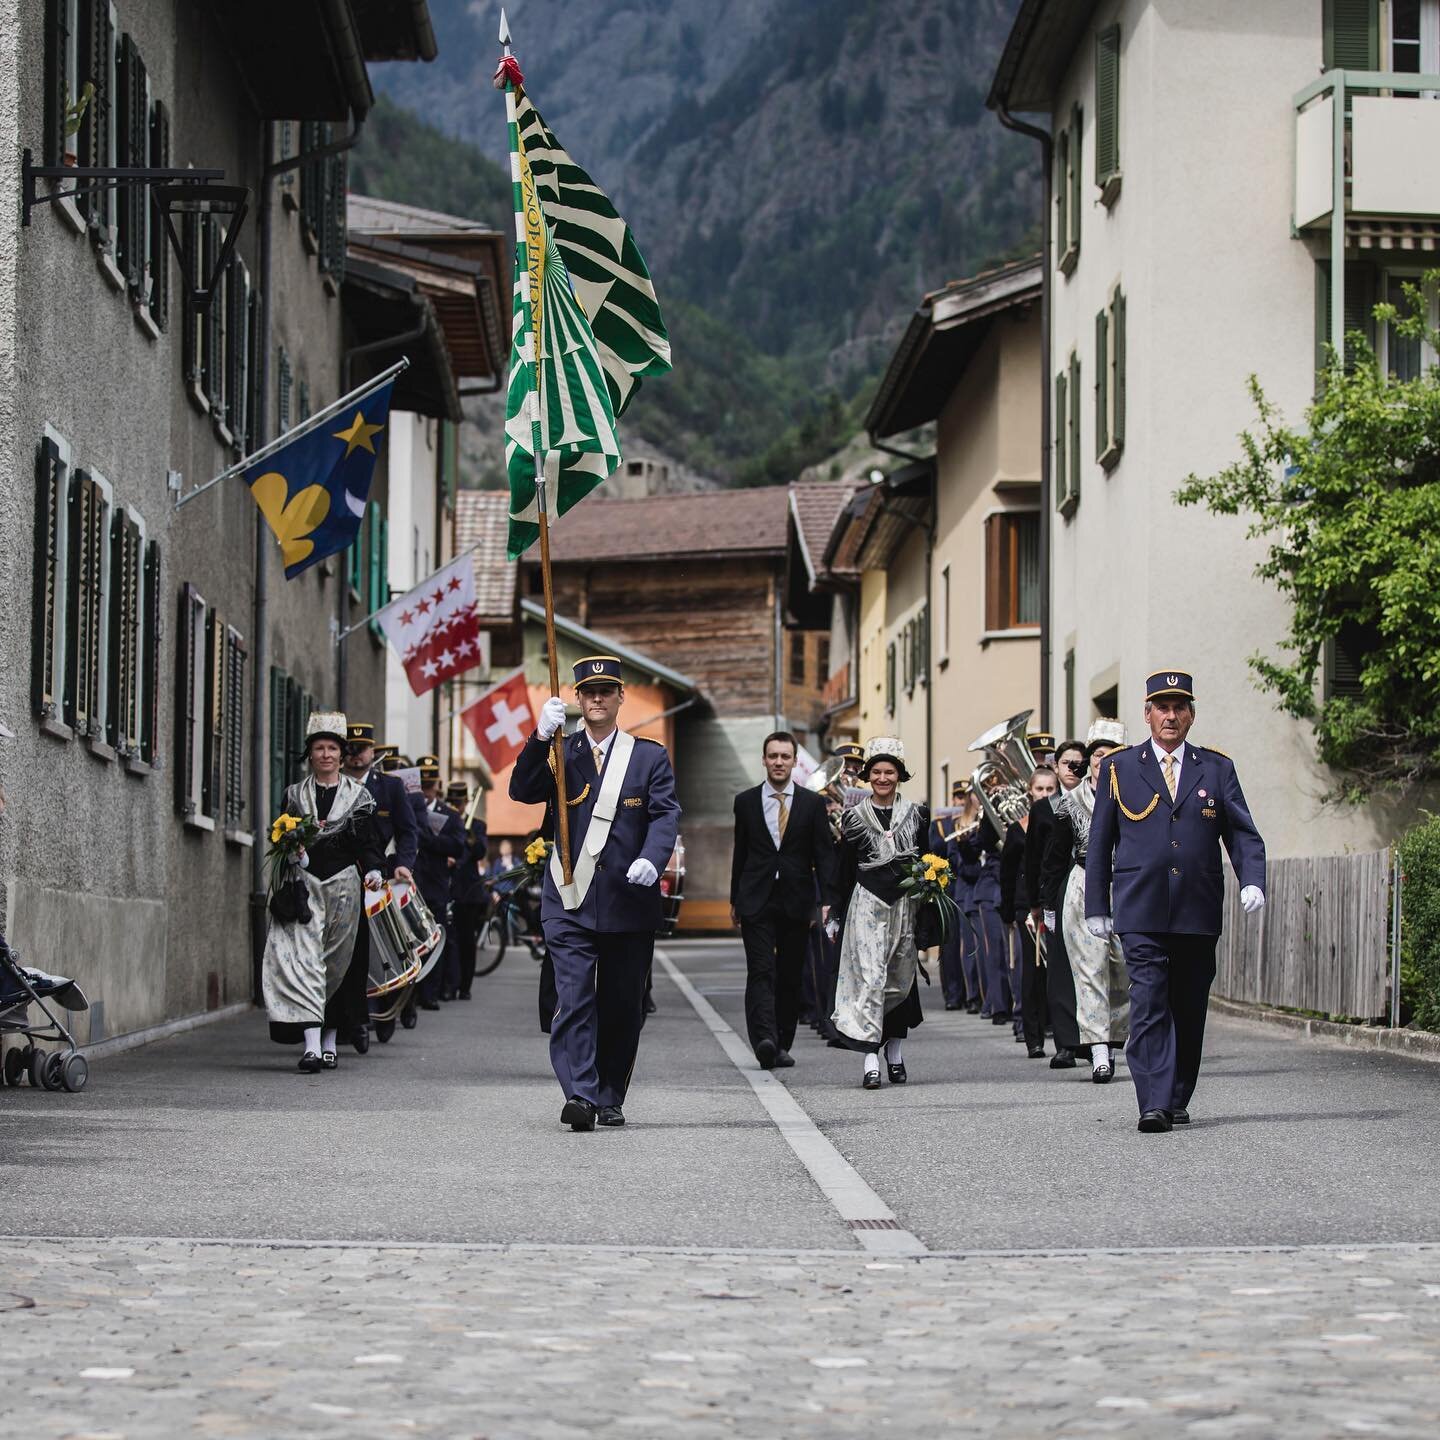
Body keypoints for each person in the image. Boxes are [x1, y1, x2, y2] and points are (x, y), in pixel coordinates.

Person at [1086, 670, 1267, 1132]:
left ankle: (1178, 1091)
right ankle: (1153, 1102)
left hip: (1196, 909)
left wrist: (1253, 879)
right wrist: (1096, 906)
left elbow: (1242, 833)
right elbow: (1101, 839)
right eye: (1161, 707)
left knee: (1188, 1007)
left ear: (1191, 715)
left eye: (1179, 707)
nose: (1170, 716)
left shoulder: (1217, 768)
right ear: (1147, 714)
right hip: (1141, 909)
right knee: (1147, 1004)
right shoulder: (1119, 768)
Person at [509, 655, 681, 1131]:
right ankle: (580, 1095)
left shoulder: (648, 756)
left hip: (630, 899)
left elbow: (665, 814)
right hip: (570, 899)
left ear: (621, 697)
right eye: (589, 692)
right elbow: (521, 791)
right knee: (575, 997)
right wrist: (539, 737)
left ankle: (610, 1095)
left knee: (622, 1006)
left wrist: (653, 856)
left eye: (607, 691)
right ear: (578, 699)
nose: (598, 698)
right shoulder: (560, 751)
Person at [262, 712, 385, 1073]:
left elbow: (369, 843)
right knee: (303, 963)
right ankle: (311, 1047)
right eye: (320, 748)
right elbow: (280, 837)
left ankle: (330, 1042)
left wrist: (376, 869)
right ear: (310, 754)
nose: (326, 754)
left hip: (344, 889)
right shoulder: (295, 795)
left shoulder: (359, 797)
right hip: (305, 889)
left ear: (342, 754)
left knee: (337, 964)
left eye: (333, 748)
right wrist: (293, 853)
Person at [730, 731, 837, 1070]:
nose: (778, 762)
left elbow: (824, 855)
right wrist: (735, 899)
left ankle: (782, 1041)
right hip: (756, 898)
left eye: (784, 756)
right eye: (773, 756)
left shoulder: (812, 804)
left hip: (796, 898)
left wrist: (827, 899)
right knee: (760, 969)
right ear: (764, 760)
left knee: (790, 973)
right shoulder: (745, 802)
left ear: (794, 761)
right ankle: (764, 1038)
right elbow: (741, 853)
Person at [832, 737, 928, 1089]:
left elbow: (929, 862)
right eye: (876, 772)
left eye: (889, 772)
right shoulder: (854, 817)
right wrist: (835, 911)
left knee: (899, 978)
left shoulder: (917, 814)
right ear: (867, 776)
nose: (883, 778)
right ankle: (870, 1057)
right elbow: (844, 868)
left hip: (905, 905)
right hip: (867, 904)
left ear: (899, 775)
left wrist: (930, 907)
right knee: (870, 977)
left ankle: (895, 1051)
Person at [1042, 721, 1130, 1083]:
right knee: (1089, 969)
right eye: (1098, 754)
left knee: (1122, 970)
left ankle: (1113, 1039)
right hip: (1083, 886)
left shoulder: (1137, 796)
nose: (1103, 760)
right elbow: (1054, 855)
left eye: (1111, 754)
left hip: (1125, 886)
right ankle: (1098, 1051)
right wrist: (1048, 904)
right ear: (1090, 760)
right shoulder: (1071, 802)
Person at [338, 723, 418, 1050]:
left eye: (363, 749)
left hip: (380, 874)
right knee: (345, 951)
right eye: (352, 750)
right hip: (341, 874)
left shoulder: (390, 787)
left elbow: (408, 831)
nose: (357, 755)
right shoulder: (334, 786)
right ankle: (349, 1021)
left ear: (373, 752)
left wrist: (402, 863)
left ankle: (385, 1007)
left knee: (382, 947)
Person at [1026, 738, 1086, 1070]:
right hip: (1057, 894)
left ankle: (1092, 1038)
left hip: (1089, 890)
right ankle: (1065, 1043)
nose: (1073, 769)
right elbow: (1033, 859)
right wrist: (1037, 904)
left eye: (1079, 763)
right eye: (1067, 763)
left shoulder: (1095, 800)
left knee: (1090, 967)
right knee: (1060, 968)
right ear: (1057, 766)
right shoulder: (1043, 808)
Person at [1000, 765, 1058, 1058]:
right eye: (1040, 789)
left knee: (1056, 970)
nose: (1045, 794)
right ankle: (1032, 1036)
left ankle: (1060, 1031)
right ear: (1029, 792)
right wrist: (1008, 913)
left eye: (1050, 789)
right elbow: (1007, 873)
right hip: (1027, 905)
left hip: (1055, 900)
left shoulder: (1062, 819)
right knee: (1032, 970)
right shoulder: (1017, 828)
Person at [414, 761, 466, 1008]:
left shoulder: (449, 814)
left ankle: (430, 992)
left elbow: (457, 846)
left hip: (435, 885)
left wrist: (429, 840)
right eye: (422, 785)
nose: (426, 791)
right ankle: (409, 995)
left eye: (429, 785)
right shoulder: (408, 809)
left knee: (435, 938)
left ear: (437, 785)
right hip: (411, 882)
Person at [446, 779, 488, 1000]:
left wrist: (470, 839)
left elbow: (481, 852)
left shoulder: (477, 825)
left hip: (468, 891)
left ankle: (465, 986)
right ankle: (449, 983)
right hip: (448, 886)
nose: (456, 806)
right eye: (452, 802)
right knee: (449, 939)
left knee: (466, 940)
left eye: (459, 802)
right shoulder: (446, 818)